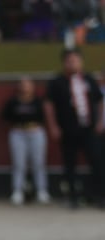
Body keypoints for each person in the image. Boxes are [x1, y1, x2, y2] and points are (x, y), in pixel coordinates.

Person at [44, 47, 105, 208]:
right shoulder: (57, 82)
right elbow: (49, 105)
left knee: (97, 161)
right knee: (69, 163)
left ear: (81, 61)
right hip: (68, 129)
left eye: (75, 60)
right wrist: (54, 126)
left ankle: (99, 196)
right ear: (64, 63)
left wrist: (100, 122)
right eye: (69, 60)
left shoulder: (89, 79)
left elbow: (100, 101)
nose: (73, 63)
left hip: (89, 128)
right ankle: (73, 197)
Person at [3, 76, 50, 205]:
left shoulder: (38, 101)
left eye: (27, 84)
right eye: (22, 84)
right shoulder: (13, 102)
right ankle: (18, 191)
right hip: (18, 132)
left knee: (38, 162)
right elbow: (6, 117)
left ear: (32, 86)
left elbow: (44, 117)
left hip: (35, 131)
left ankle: (41, 190)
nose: (25, 87)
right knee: (19, 163)